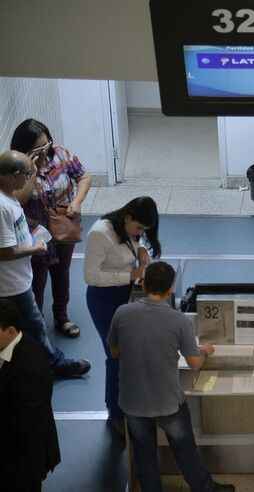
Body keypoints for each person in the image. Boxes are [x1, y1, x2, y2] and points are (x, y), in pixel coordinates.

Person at [108, 262, 234, 492]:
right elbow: (194, 363)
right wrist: (203, 351)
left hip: (132, 402)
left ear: (143, 283)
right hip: (167, 402)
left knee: (144, 454)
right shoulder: (179, 320)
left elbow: (114, 351)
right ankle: (204, 488)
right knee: (185, 449)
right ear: (170, 289)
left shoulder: (121, 313)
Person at [0, 150, 90, 378]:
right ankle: (55, 364)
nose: (30, 180)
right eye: (28, 175)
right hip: (12, 285)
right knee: (36, 326)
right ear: (13, 175)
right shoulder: (2, 206)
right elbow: (5, 251)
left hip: (17, 279)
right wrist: (35, 248)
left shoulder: (8, 197)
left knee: (30, 327)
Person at [11, 118, 93, 338]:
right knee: (37, 277)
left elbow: (83, 176)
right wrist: (32, 169)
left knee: (62, 273)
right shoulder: (18, 166)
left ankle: (62, 317)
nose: (46, 150)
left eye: (47, 144)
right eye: (39, 147)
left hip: (63, 225)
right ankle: (37, 324)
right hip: (35, 232)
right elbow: (19, 198)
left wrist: (76, 202)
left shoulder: (61, 154)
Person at [85, 196, 159, 435]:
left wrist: (142, 250)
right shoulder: (100, 233)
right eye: (139, 228)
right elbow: (91, 276)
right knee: (115, 355)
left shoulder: (126, 227)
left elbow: (131, 241)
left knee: (130, 354)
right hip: (104, 300)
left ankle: (129, 402)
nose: (139, 233)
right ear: (128, 217)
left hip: (124, 295)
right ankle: (115, 413)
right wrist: (130, 275)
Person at [0, 299, 61, 492]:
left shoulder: (30, 367)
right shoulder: (10, 346)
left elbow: (25, 424)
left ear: (10, 331)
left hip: (22, 459)